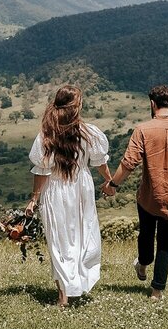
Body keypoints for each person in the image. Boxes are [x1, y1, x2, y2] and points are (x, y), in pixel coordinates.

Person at [102, 85, 168, 301]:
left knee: (146, 235)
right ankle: (157, 292)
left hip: (148, 196)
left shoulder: (143, 130)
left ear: (152, 104)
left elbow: (129, 164)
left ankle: (143, 264)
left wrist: (113, 184)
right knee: (166, 243)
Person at [25, 85, 111, 307]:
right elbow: (100, 162)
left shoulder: (47, 134)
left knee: (58, 241)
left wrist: (34, 199)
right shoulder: (89, 132)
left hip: (55, 189)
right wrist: (109, 182)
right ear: (76, 107)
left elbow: (42, 171)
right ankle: (76, 285)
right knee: (82, 235)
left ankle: (63, 294)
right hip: (81, 188)